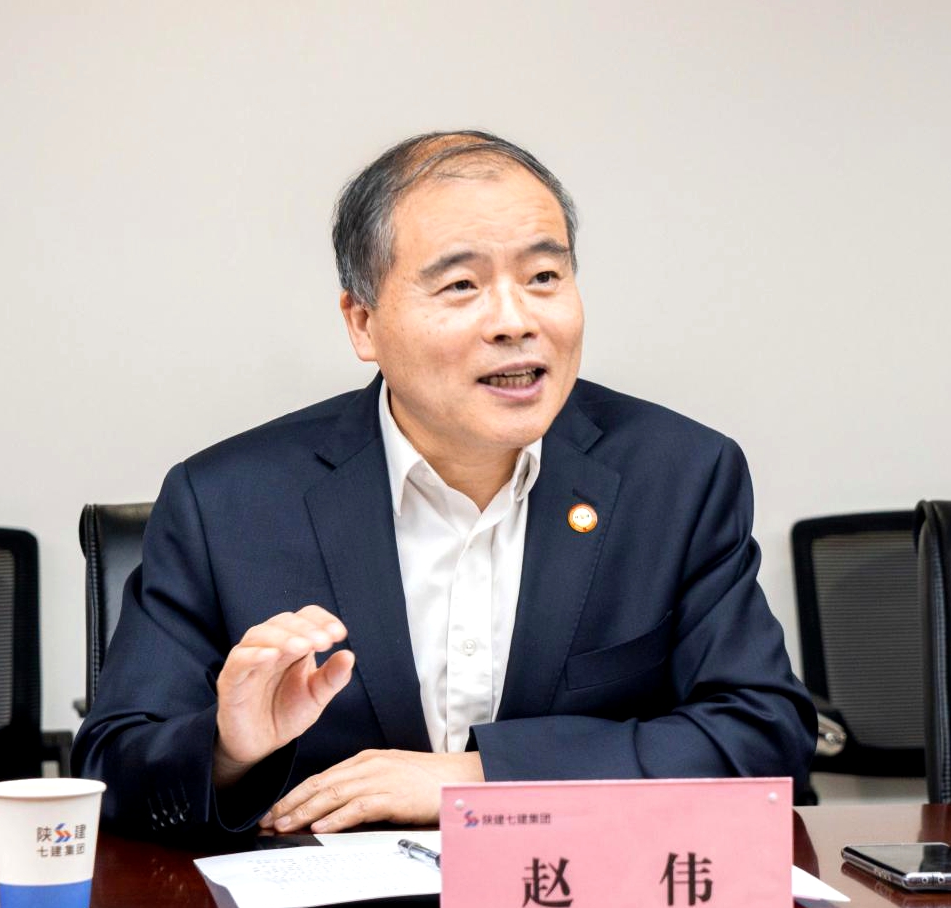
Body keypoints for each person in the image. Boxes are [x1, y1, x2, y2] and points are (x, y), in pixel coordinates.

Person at [72, 130, 815, 841]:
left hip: (580, 901)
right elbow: (111, 770)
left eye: (544, 277)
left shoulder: (678, 477)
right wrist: (227, 749)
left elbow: (762, 735)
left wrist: (481, 778)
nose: (515, 321)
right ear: (363, 323)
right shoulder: (227, 504)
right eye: (462, 285)